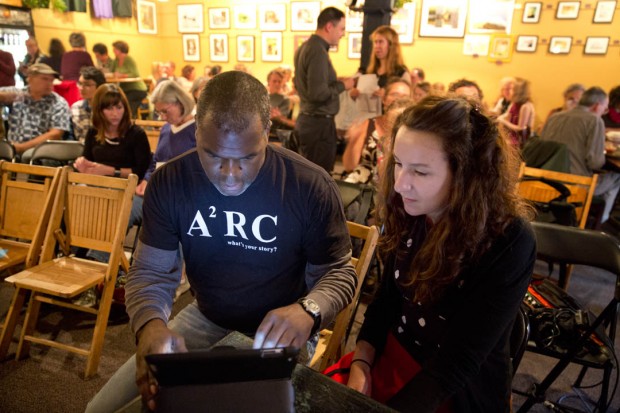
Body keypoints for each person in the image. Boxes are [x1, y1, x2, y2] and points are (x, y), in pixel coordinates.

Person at [85, 70, 357, 413]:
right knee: (99, 410)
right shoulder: (170, 181)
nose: (230, 175)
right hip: (207, 315)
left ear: (268, 134)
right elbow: (152, 273)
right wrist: (150, 325)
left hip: (280, 330)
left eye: (247, 157)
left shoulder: (309, 186)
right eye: (212, 155)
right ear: (196, 133)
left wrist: (309, 310)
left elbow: (339, 273)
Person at [343, 95, 536, 412]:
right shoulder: (412, 211)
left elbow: (458, 362)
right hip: (393, 358)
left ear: (467, 174)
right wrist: (361, 364)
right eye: (399, 165)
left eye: (419, 172)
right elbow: (386, 302)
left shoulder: (510, 241)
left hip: (453, 390)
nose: (401, 185)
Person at [541, 87, 620, 223]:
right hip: (575, 184)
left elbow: (541, 145)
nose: (604, 112)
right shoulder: (595, 121)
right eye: (605, 108)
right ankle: (601, 221)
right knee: (616, 177)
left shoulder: (554, 117)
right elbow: (595, 163)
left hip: (543, 179)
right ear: (597, 106)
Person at [294, 7, 354, 173]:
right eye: (341, 29)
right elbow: (318, 94)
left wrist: (334, 81)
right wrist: (344, 86)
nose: (343, 34)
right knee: (319, 180)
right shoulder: (317, 51)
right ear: (329, 26)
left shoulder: (305, 47)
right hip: (318, 126)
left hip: (309, 122)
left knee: (308, 177)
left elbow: (304, 84)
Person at [343, 79, 412, 185]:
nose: (399, 99)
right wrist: (352, 142)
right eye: (395, 94)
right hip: (360, 185)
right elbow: (349, 166)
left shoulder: (414, 134)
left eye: (405, 96)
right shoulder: (367, 124)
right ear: (384, 99)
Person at [0, 63, 70, 155]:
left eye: (51, 80)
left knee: (28, 156)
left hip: (41, 152)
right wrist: (2, 97)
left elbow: (55, 134)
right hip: (11, 148)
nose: (49, 83)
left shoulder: (58, 102)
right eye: (44, 79)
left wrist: (21, 148)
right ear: (30, 78)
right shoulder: (17, 94)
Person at [349, 25, 411, 117]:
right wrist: (353, 95)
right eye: (375, 42)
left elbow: (407, 102)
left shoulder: (401, 73)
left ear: (391, 45)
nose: (377, 46)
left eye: (381, 42)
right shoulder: (365, 71)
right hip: (365, 119)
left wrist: (387, 96)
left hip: (389, 120)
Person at [110, 40, 148, 118]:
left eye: (115, 49)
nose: (113, 50)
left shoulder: (129, 59)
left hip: (137, 89)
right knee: (113, 99)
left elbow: (135, 74)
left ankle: (129, 119)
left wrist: (122, 75)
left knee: (125, 104)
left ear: (120, 50)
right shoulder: (116, 60)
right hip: (125, 89)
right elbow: (112, 72)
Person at [71, 66, 106, 142]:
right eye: (80, 83)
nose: (81, 88)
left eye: (87, 85)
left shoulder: (108, 108)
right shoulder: (76, 108)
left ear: (99, 87)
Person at [497, 77, 535, 146]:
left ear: (518, 91)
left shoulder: (525, 106)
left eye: (511, 89)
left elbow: (521, 128)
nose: (509, 91)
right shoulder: (514, 103)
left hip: (521, 141)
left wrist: (503, 121)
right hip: (511, 137)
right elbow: (507, 116)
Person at [267, 69, 294, 135]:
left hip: (274, 132)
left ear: (283, 83)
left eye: (279, 81)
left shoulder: (285, 100)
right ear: (268, 82)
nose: (277, 84)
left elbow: (281, 117)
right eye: (274, 81)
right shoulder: (263, 96)